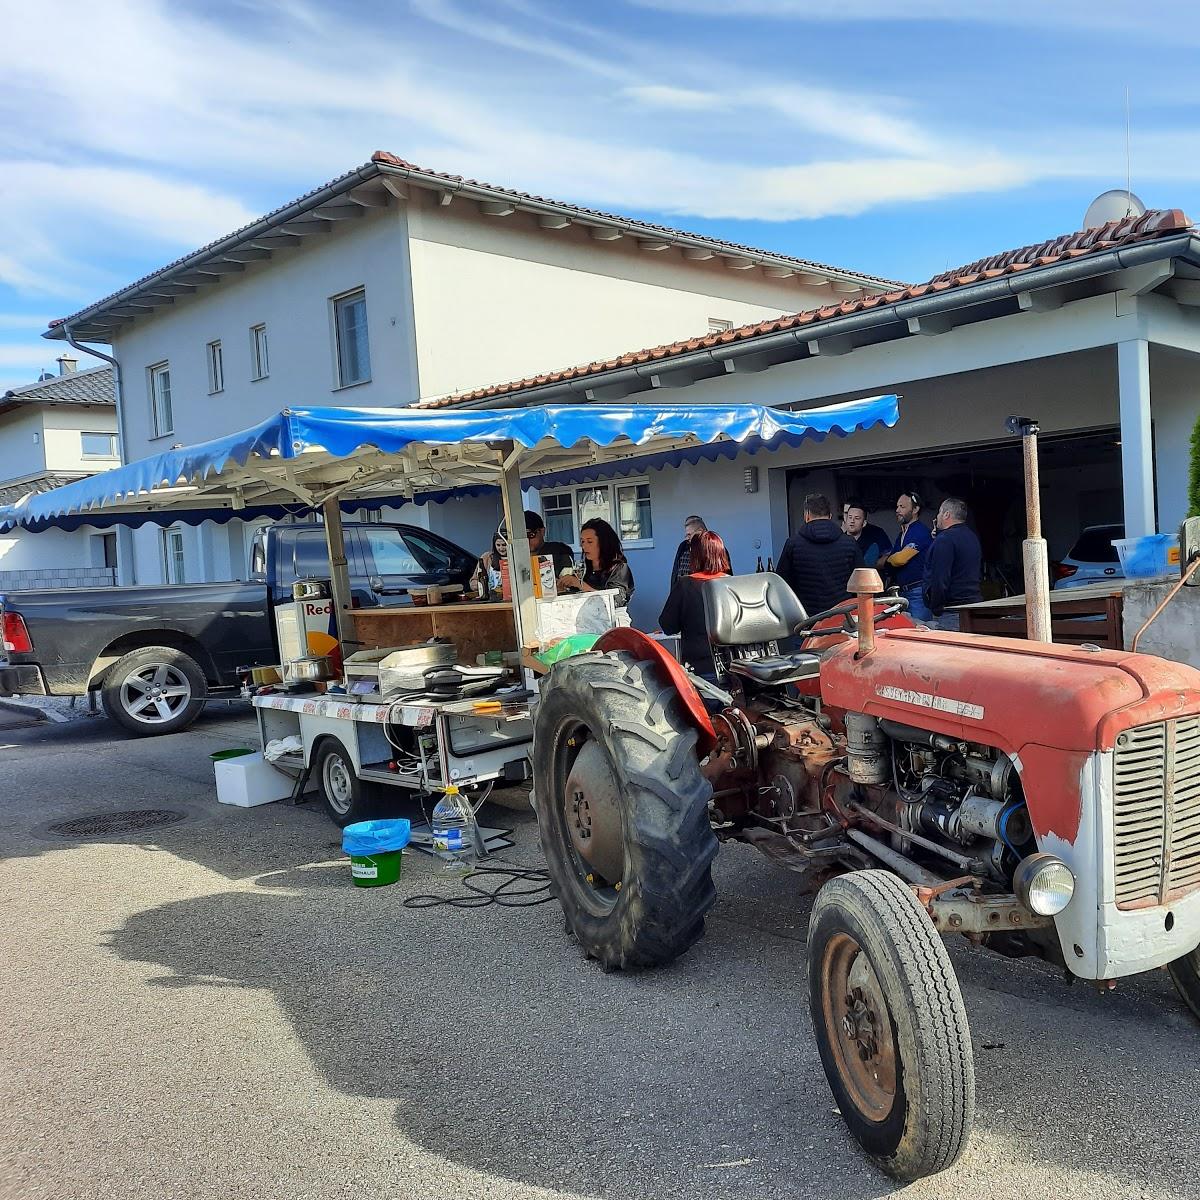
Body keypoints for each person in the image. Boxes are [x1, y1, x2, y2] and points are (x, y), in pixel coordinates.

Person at [776, 493, 864, 617]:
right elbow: (863, 583)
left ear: (806, 515)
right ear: (830, 516)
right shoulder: (849, 543)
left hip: (807, 620)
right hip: (843, 617)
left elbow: (782, 585)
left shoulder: (793, 544)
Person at [658, 531, 731, 677]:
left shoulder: (685, 585)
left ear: (695, 555)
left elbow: (668, 625)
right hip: (733, 666)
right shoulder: (732, 584)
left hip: (699, 668)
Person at [923, 497, 983, 631]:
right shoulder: (972, 537)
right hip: (973, 608)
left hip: (951, 611)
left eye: (939, 512)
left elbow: (940, 578)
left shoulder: (945, 540)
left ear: (946, 514)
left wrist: (936, 607)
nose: (937, 516)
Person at [557, 517, 634, 608]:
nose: (584, 546)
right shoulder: (583, 569)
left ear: (603, 543)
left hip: (611, 619)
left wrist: (580, 584)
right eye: (582, 541)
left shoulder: (619, 569)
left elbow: (616, 601)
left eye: (590, 542)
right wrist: (562, 589)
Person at [883, 491, 934, 622]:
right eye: (897, 506)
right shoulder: (902, 534)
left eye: (902, 507)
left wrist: (889, 559)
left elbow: (899, 559)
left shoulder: (920, 531)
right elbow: (894, 558)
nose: (897, 510)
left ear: (916, 509)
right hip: (904, 592)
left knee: (920, 631)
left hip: (917, 592)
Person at [669, 515, 732, 585]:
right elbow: (675, 573)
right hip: (684, 591)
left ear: (700, 531)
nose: (687, 538)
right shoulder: (683, 547)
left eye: (689, 535)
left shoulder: (717, 547)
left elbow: (726, 576)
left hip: (710, 591)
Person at [523, 510, 575, 575]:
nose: (526, 540)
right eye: (522, 537)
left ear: (542, 531)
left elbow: (568, 580)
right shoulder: (515, 558)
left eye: (531, 535)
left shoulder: (559, 552)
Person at [843, 499, 892, 568]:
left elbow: (888, 555)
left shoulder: (876, 535)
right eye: (849, 517)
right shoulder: (839, 540)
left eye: (856, 518)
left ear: (864, 523)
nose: (852, 521)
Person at [470, 529, 507, 599]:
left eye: (504, 545)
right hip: (490, 597)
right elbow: (474, 580)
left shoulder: (515, 557)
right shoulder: (486, 557)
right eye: (498, 545)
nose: (501, 548)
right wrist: (477, 585)